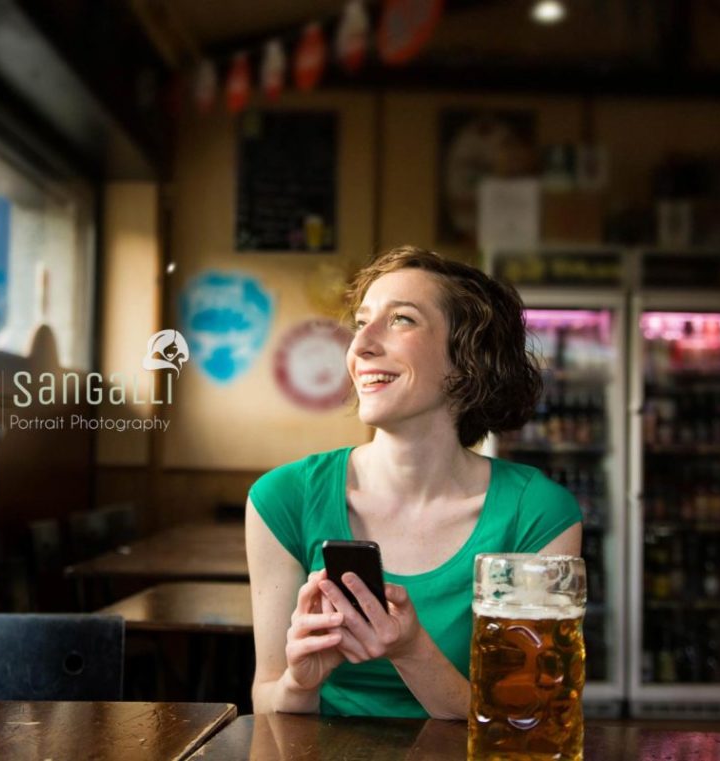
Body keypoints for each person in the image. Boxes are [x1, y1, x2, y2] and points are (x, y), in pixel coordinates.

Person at [245, 245, 582, 719]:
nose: (360, 346)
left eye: (401, 319)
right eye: (362, 322)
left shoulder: (539, 515)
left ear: (468, 360)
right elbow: (266, 698)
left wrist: (411, 652)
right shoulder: (282, 499)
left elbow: (526, 717)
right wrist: (300, 684)